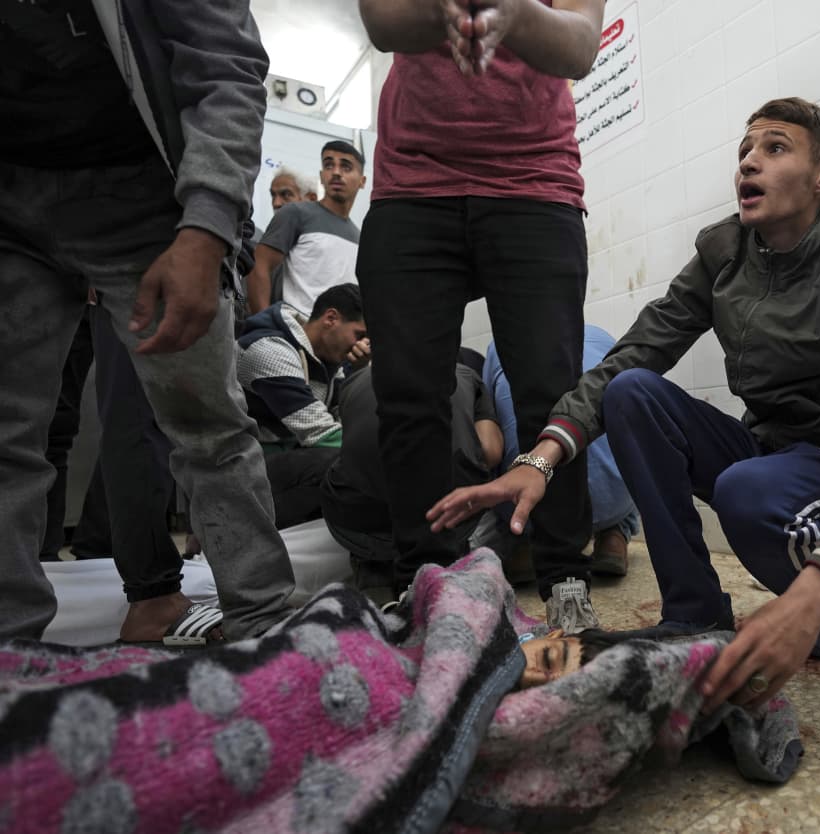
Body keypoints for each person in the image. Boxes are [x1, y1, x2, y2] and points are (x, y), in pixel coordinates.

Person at [429, 97, 820, 711]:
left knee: (744, 490)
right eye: (744, 151)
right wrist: (539, 460)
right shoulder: (724, 252)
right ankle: (694, 613)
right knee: (632, 392)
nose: (748, 162)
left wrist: (812, 595)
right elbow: (632, 355)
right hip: (772, 451)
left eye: (774, 148)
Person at [0, 0, 297, 642]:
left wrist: (207, 226)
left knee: (205, 425)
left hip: (140, 191)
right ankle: (10, 654)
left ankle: (267, 631)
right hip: (10, 198)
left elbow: (225, 58)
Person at [355, 0, 606, 632]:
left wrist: (513, 12)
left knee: (551, 390)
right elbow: (383, 23)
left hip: (535, 181)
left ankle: (564, 579)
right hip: (413, 183)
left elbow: (579, 46)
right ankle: (426, 580)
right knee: (409, 395)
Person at [320, 362, 504, 606]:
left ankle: (375, 580)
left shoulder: (353, 382)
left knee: (358, 476)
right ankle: (440, 579)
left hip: (359, 519)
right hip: (441, 515)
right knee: (463, 484)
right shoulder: (463, 373)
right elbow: (491, 452)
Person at [483, 324, 640, 576]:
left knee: (492, 434)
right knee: (628, 440)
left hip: (526, 504)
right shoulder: (602, 338)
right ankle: (614, 536)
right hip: (614, 498)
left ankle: (523, 541)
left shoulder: (498, 345)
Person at [237, 283, 369, 529]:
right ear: (331, 318)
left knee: (352, 462)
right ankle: (240, 528)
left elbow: (350, 423)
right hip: (243, 470)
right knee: (341, 465)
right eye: (359, 335)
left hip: (280, 463)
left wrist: (359, 373)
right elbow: (321, 433)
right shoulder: (270, 349)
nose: (360, 345)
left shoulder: (331, 364)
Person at [245, 141, 366, 316]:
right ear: (322, 175)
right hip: (294, 335)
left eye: (346, 167)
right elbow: (259, 266)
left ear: (362, 181)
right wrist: (263, 327)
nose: (336, 172)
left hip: (339, 339)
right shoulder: (295, 213)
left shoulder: (359, 237)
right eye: (329, 165)